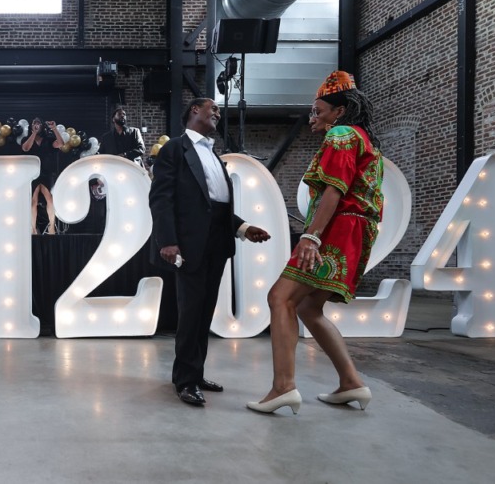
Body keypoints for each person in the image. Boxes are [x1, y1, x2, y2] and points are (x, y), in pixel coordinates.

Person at [247, 71, 384, 415]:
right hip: (356, 233)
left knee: (279, 298)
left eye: (319, 109)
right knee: (308, 307)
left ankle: (283, 387)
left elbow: (335, 189)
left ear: (339, 111)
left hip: (336, 230)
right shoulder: (365, 140)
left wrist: (311, 237)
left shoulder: (340, 135)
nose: (314, 115)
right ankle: (351, 381)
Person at [149, 97, 271, 407]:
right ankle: (185, 381)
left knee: (203, 314)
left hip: (217, 243)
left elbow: (214, 206)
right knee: (190, 314)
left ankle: (196, 372)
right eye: (211, 108)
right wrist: (167, 241)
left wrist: (243, 228)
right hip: (188, 245)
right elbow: (161, 199)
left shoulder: (214, 155)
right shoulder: (174, 149)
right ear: (193, 111)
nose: (217, 112)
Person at [21, 118, 64, 235]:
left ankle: (51, 227)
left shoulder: (48, 139)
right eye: (34, 123)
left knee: (49, 198)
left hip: (46, 172)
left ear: (42, 126)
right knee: (33, 200)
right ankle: (33, 228)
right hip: (32, 172)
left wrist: (54, 129)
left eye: (38, 123)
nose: (36, 124)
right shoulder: (27, 139)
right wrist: (33, 133)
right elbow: (25, 148)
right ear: (31, 126)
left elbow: (60, 144)